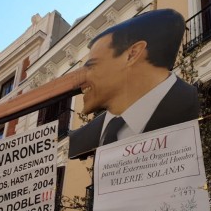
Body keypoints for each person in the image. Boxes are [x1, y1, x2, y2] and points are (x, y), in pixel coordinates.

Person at [68, 8, 199, 159]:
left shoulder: (195, 103)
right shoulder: (83, 139)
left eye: (92, 65)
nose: (81, 80)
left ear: (133, 54)